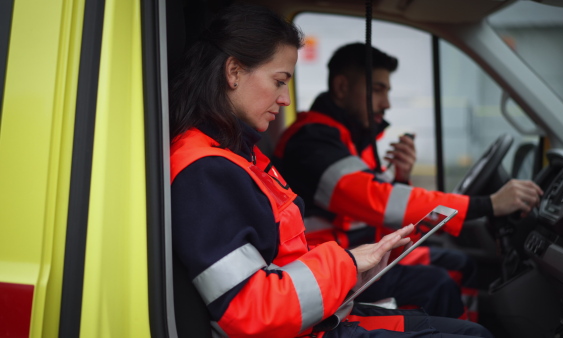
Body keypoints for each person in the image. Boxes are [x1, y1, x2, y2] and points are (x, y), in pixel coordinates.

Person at [169, 4, 493, 338]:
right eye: (279, 82)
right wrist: (349, 265)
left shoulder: (235, 154)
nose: (285, 100)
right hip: (306, 321)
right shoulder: (207, 170)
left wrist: (353, 269)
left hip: (320, 310)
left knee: (469, 329)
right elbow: (250, 308)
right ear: (233, 72)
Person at [273, 42, 545, 322]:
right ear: (342, 88)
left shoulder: (348, 137)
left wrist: (400, 177)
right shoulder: (312, 141)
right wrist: (488, 204)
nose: (387, 103)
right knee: (439, 284)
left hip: (357, 252)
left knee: (460, 264)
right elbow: (377, 200)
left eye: (387, 91)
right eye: (377, 90)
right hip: (327, 266)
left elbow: (371, 205)